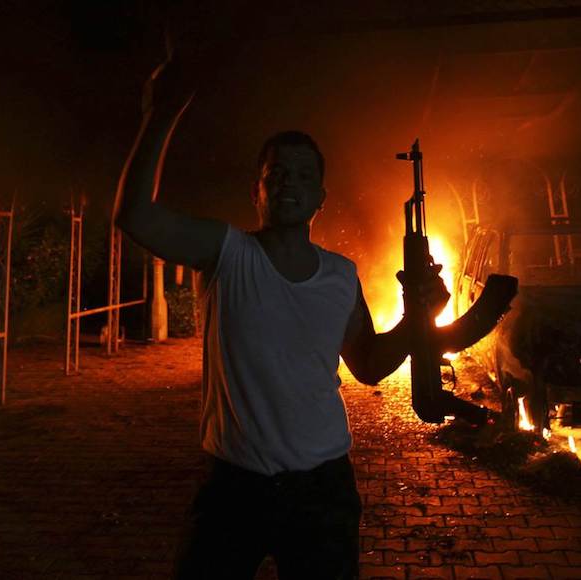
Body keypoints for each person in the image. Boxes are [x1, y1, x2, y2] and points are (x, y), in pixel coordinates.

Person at [113, 54, 449, 580]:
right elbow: (135, 215)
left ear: (320, 197)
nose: (289, 182)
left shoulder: (341, 275)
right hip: (232, 490)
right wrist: (160, 115)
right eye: (276, 173)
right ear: (257, 190)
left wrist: (419, 319)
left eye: (303, 175)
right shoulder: (226, 253)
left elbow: (368, 365)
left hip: (322, 492)